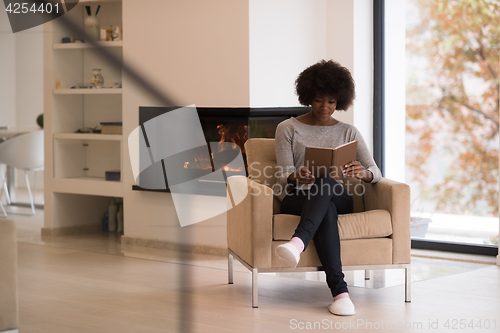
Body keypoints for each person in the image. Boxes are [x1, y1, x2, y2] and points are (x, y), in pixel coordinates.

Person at [273, 60, 382, 316]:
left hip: (339, 196)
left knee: (326, 184)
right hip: (298, 197)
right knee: (327, 209)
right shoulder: (287, 128)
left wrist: (363, 173)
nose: (325, 107)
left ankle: (298, 242)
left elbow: (375, 171)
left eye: (332, 101)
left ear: (339, 102)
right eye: (319, 100)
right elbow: (281, 176)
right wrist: (295, 177)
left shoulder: (349, 132)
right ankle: (341, 293)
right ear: (309, 96)